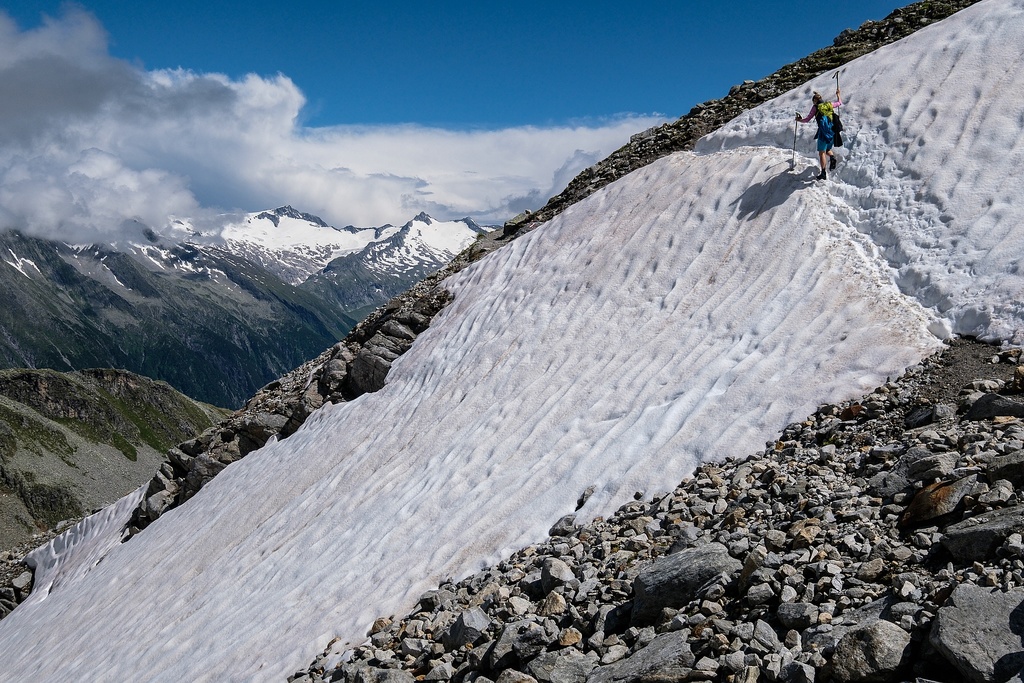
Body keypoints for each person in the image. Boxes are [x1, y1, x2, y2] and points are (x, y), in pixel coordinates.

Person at [796, 88, 842, 180]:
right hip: (832, 131)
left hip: (823, 133)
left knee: (822, 153)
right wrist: (838, 95)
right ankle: (832, 157)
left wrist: (799, 120)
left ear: (815, 101)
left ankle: (823, 173)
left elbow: (807, 119)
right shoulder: (828, 105)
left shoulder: (815, 107)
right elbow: (839, 103)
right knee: (828, 148)